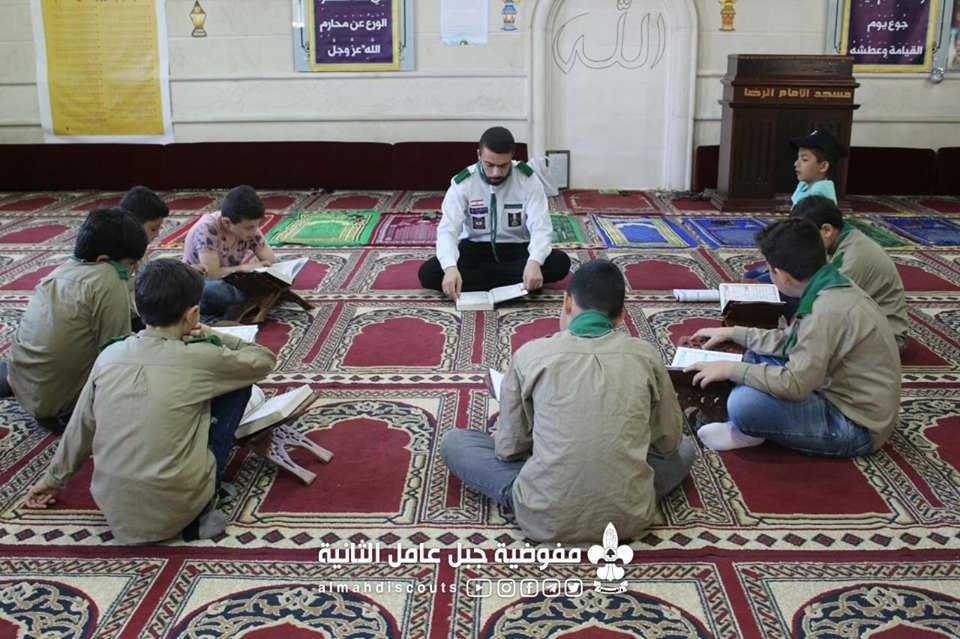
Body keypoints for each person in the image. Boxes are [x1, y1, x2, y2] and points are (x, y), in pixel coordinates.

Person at [440, 259, 697, 542]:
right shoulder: (646, 355)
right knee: (686, 449)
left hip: (543, 515)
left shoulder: (531, 354)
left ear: (566, 303)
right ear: (622, 316)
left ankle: (544, 496)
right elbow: (668, 442)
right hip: (629, 519)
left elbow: (509, 449)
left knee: (456, 442)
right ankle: (617, 495)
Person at [24, 259, 277, 543]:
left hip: (113, 508)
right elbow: (263, 360)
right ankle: (204, 503)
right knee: (236, 386)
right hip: (180, 506)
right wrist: (209, 332)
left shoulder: (109, 356)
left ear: (137, 305)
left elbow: (81, 425)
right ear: (193, 314)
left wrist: (53, 479)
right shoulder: (201, 357)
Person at [685, 218, 900, 457]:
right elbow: (790, 341)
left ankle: (747, 430)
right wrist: (734, 333)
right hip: (830, 387)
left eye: (769, 270)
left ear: (782, 275)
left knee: (744, 404)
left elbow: (796, 385)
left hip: (854, 425)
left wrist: (731, 370)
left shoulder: (825, 310)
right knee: (750, 356)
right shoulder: (827, 284)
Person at [0, 208, 147, 434]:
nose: (134, 269)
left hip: (24, 387)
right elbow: (117, 358)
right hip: (65, 412)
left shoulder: (61, 271)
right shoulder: (108, 277)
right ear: (103, 260)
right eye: (131, 264)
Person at [418, 126, 571, 299]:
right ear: (479, 155)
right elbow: (448, 229)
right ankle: (518, 285)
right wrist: (451, 267)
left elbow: (541, 227)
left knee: (559, 263)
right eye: (490, 165)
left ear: (512, 156)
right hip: (474, 249)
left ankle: (479, 283)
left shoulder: (527, 180)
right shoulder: (464, 182)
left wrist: (534, 262)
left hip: (516, 248)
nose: (496, 172)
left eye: (503, 165)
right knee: (429, 273)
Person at [792, 195, 909, 353]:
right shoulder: (843, 239)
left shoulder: (853, 256)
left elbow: (827, 306)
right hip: (866, 324)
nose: (805, 246)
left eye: (807, 239)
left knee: (806, 344)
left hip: (888, 338)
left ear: (826, 230)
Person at [183, 185, 277, 321]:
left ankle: (247, 302)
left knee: (278, 277)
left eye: (257, 225)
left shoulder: (247, 227)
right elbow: (212, 274)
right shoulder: (207, 228)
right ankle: (253, 300)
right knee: (212, 291)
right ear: (226, 223)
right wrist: (244, 268)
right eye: (249, 227)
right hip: (202, 284)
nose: (255, 231)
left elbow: (269, 259)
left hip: (233, 280)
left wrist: (265, 269)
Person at [119, 185, 170, 330]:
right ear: (133, 225)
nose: (157, 234)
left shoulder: (138, 246)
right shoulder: (115, 254)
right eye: (153, 229)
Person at [790, 128, 845, 206]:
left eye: (804, 159)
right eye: (798, 158)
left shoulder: (819, 197)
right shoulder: (804, 184)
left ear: (823, 166)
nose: (796, 163)